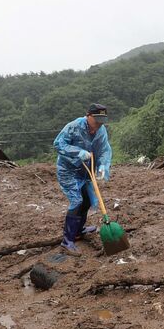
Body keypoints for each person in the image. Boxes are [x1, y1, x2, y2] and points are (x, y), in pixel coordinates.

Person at [53, 103, 113, 255]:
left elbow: (104, 150)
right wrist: (77, 152)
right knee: (76, 201)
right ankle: (67, 242)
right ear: (88, 116)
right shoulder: (74, 126)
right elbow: (58, 144)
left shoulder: (101, 131)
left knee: (86, 200)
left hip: (85, 172)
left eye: (102, 120)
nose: (99, 124)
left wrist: (103, 166)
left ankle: (78, 231)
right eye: (97, 120)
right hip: (68, 170)